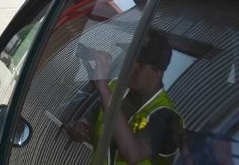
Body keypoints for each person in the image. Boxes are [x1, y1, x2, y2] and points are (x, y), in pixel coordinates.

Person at [64, 31, 184, 165]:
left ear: (157, 73)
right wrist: (81, 129)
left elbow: (133, 154)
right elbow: (98, 131)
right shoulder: (115, 90)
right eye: (131, 59)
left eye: (141, 64)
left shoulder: (165, 115)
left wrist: (102, 86)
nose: (131, 67)